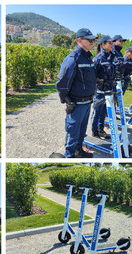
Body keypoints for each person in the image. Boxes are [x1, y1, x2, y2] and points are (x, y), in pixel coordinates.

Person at [56, 28, 97, 158]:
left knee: (81, 131)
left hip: (87, 102)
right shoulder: (73, 59)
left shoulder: (88, 58)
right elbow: (63, 83)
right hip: (77, 104)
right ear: (80, 40)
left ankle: (79, 151)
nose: (92, 42)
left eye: (93, 40)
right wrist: (67, 100)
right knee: (73, 131)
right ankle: (69, 156)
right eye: (89, 40)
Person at [91, 35, 116, 140]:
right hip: (100, 90)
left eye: (112, 43)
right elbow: (92, 75)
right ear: (103, 45)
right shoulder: (98, 59)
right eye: (109, 43)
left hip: (108, 89)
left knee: (103, 112)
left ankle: (101, 129)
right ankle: (94, 131)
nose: (112, 45)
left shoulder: (111, 57)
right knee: (97, 111)